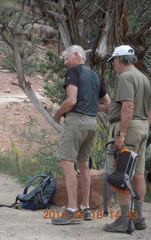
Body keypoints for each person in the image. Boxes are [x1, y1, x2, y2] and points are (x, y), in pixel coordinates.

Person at [51, 45, 110, 225]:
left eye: (66, 58)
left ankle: (71, 210)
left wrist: (57, 114)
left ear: (77, 55)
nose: (65, 62)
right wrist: (91, 108)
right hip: (92, 122)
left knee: (66, 162)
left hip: (76, 121)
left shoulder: (73, 71)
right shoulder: (94, 75)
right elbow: (107, 103)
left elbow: (71, 100)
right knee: (84, 165)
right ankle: (85, 208)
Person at [103, 45, 151, 233]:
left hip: (128, 129)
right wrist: (146, 127)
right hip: (142, 128)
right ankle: (138, 218)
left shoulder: (125, 77)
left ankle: (124, 220)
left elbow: (128, 106)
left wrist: (122, 134)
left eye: (114, 60)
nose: (114, 64)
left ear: (121, 59)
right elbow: (149, 108)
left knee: (122, 173)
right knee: (138, 173)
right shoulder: (143, 78)